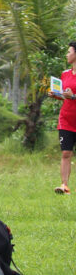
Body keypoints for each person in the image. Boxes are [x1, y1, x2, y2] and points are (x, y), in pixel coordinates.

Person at [49, 42, 76, 194]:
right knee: (66, 153)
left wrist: (73, 96)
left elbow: (72, 96)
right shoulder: (65, 74)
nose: (67, 54)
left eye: (69, 51)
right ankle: (64, 185)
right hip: (66, 119)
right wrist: (56, 95)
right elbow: (65, 97)